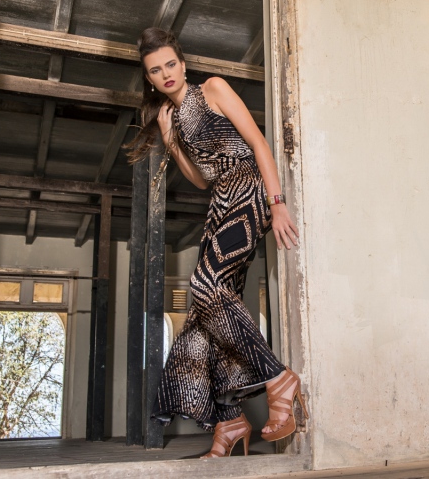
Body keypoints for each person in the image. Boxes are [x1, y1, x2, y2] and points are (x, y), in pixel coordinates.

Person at [125, 27, 308, 458]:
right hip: (220, 200)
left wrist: (276, 201)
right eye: (156, 70)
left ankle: (278, 379)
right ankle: (229, 421)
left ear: (183, 65)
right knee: (202, 311)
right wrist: (171, 140)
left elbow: (257, 142)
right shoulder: (173, 118)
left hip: (248, 190)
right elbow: (203, 178)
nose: (166, 73)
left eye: (171, 64)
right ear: (150, 79)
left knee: (205, 287)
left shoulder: (213, 88)